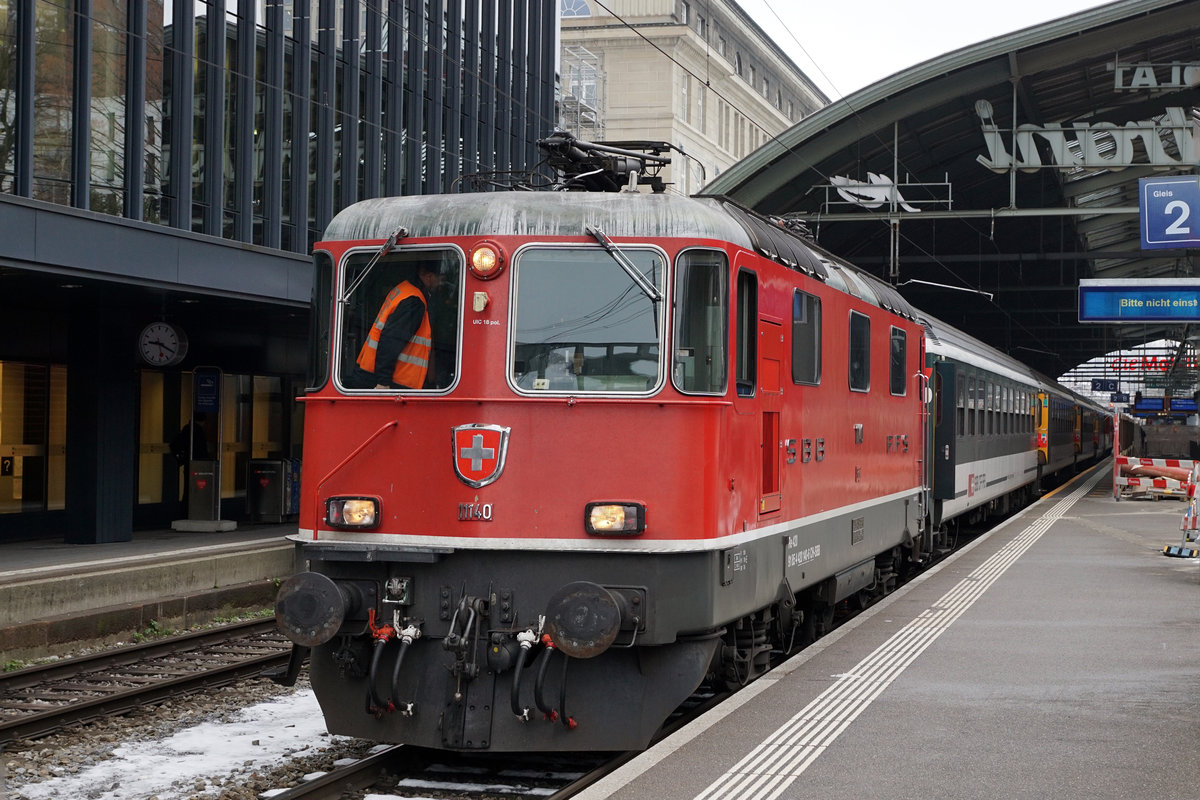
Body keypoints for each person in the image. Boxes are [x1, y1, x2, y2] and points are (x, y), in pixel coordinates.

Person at [349, 263, 441, 389]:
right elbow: (391, 341)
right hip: (388, 383)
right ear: (429, 277)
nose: (440, 284)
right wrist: (383, 382)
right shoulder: (414, 301)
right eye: (440, 279)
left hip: (371, 374)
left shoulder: (404, 290)